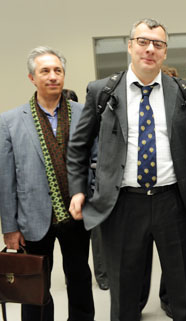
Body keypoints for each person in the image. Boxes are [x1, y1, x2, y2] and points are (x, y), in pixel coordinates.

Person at [67, 18, 186, 321]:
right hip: (122, 205)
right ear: (130, 46)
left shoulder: (183, 92)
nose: (150, 49)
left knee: (185, 293)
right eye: (143, 41)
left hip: (174, 203)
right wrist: (78, 190)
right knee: (124, 294)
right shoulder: (102, 91)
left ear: (165, 52)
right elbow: (77, 146)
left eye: (158, 44)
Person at [0, 46, 94, 321]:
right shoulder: (10, 121)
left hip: (76, 213)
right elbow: (6, 178)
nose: (53, 76)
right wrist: (10, 227)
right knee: (35, 284)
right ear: (32, 78)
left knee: (79, 278)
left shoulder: (84, 113)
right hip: (32, 217)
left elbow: (95, 162)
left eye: (58, 71)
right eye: (45, 71)